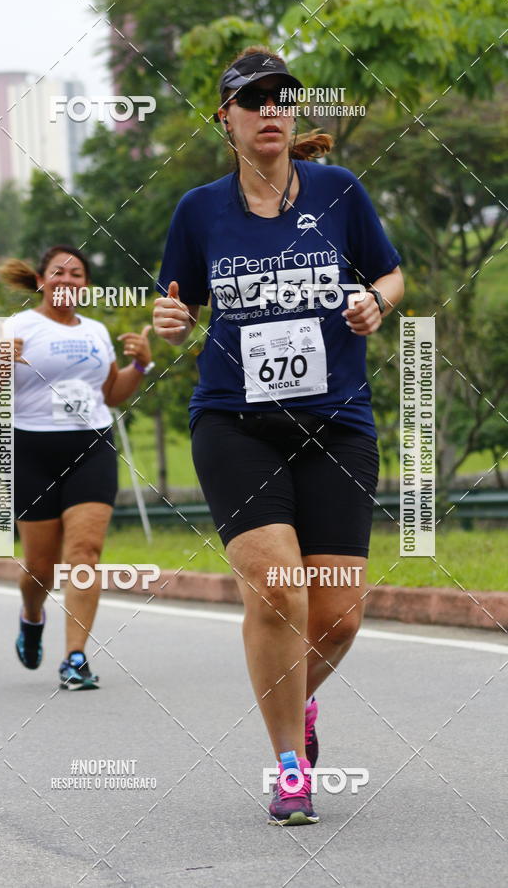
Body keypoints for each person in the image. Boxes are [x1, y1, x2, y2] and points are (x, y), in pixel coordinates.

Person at [153, 47, 404, 825]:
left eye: (280, 98)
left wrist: (377, 303)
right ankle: (289, 765)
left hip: (337, 422)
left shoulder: (337, 191)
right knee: (277, 588)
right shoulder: (200, 210)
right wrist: (168, 322)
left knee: (337, 616)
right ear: (224, 118)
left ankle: (298, 705)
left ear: (292, 115)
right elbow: (177, 306)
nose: (269, 109)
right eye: (251, 99)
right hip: (235, 421)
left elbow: (390, 273)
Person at [0, 245, 154, 690]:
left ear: (85, 285)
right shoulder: (17, 327)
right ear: (41, 280)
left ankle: (75, 657)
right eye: (58, 272)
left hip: (91, 446)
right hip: (31, 450)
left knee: (86, 553)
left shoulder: (95, 331)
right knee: (40, 568)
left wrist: (141, 364)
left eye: (76, 274)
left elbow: (112, 394)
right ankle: (32, 616)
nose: (67, 280)